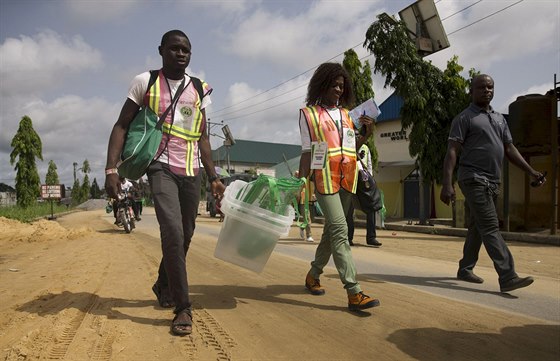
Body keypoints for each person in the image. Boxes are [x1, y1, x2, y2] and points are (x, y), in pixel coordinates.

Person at [104, 30, 225, 336]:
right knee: (171, 230)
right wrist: (110, 169)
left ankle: (163, 282)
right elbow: (121, 125)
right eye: (174, 48)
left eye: (186, 50)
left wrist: (213, 177)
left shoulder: (200, 89)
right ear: (161, 50)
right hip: (160, 167)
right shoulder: (145, 82)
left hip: (192, 170)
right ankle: (183, 308)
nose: (181, 54)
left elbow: (204, 138)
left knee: (185, 233)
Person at [440, 74, 546, 293]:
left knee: (478, 227)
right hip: (472, 178)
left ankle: (465, 268)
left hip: (492, 181)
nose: (487, 90)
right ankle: (507, 276)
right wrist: (447, 184)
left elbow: (509, 149)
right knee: (490, 226)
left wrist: (531, 171)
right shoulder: (464, 118)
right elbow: (452, 151)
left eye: (490, 87)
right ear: (472, 91)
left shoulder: (499, 119)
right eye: (482, 87)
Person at [298, 62, 380, 311]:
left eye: (341, 86)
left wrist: (366, 132)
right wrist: (302, 183)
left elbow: (351, 148)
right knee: (340, 230)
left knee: (331, 232)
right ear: (321, 85)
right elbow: (305, 152)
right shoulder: (308, 114)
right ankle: (354, 292)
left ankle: (313, 275)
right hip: (324, 179)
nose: (338, 89)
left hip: (347, 178)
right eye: (333, 84)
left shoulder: (347, 115)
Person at [346, 144, 382, 247]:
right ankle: (348, 238)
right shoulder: (347, 144)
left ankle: (371, 237)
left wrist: (369, 179)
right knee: (349, 210)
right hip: (350, 180)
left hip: (364, 180)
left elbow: (369, 165)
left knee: (372, 206)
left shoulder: (366, 148)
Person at [294, 170, 314, 242]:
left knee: (311, 218)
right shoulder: (303, 171)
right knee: (307, 216)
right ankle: (309, 235)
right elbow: (296, 175)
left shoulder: (316, 171)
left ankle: (302, 227)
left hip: (312, 197)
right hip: (303, 197)